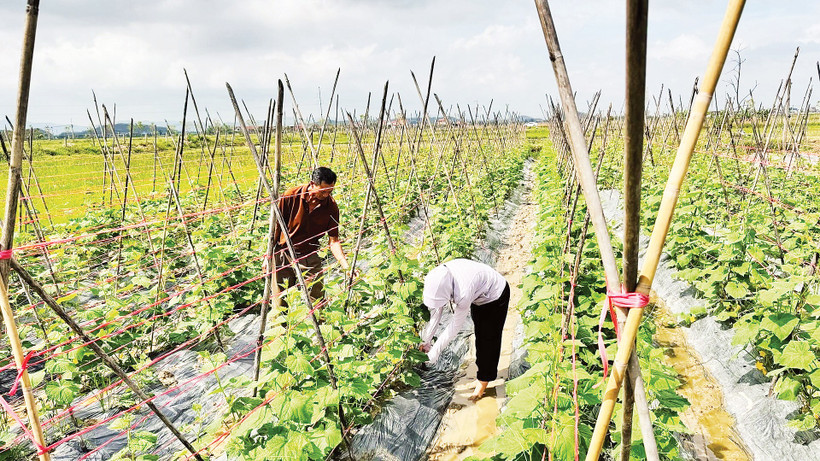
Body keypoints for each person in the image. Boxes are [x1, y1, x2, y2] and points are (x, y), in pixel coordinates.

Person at [419, 258, 510, 400]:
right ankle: (482, 374)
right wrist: (426, 341)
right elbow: (436, 312)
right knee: (480, 334)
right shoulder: (438, 278)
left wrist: (435, 353)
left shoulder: (463, 291)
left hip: (495, 295)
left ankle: (483, 382)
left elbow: (455, 326)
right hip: (478, 295)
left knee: (488, 338)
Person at [273, 166, 352, 301]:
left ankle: (318, 315)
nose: (326, 195)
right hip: (283, 253)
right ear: (312, 184)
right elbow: (276, 227)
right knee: (280, 300)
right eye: (323, 191)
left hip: (308, 254)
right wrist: (268, 256)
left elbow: (333, 241)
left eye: (330, 191)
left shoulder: (331, 207)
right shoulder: (291, 195)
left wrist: (345, 265)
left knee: (317, 299)